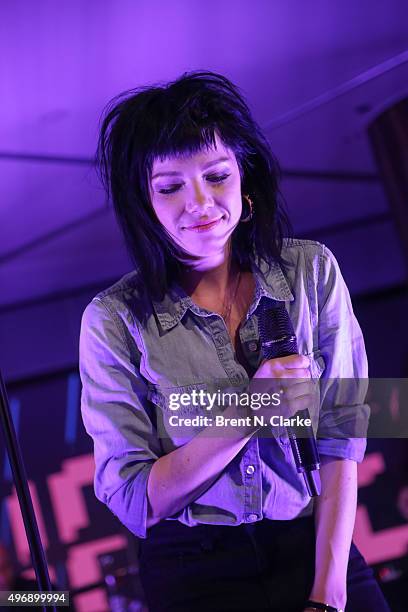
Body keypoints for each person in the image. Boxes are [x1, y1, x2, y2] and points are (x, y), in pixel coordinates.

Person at [79, 71, 390, 612]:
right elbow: (135, 500)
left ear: (245, 179)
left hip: (314, 544)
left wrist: (328, 592)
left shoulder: (310, 270)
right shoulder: (112, 320)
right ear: (144, 203)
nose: (200, 202)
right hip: (194, 569)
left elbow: (346, 438)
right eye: (171, 186)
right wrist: (251, 406)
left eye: (216, 176)